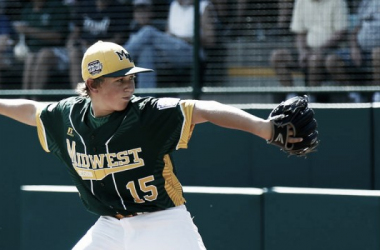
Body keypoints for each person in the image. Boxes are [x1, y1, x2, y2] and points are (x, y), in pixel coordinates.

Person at [0, 40, 302, 249]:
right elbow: (31, 111)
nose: (129, 84)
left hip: (163, 222)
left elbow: (205, 108)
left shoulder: (147, 114)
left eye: (131, 77)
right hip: (111, 226)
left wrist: (266, 129)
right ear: (92, 85)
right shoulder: (69, 116)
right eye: (118, 79)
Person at [124, 0, 218, 88]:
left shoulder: (203, 6)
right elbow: (167, 34)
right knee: (147, 52)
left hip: (191, 52)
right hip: (172, 50)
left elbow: (210, 40)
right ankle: (146, 102)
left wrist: (182, 38)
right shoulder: (174, 5)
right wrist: (170, 39)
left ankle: (118, 58)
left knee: (149, 31)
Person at [270, 0, 349, 100]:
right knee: (278, 56)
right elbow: (299, 32)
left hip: (330, 51)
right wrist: (303, 51)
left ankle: (311, 98)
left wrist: (318, 50)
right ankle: (291, 96)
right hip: (307, 50)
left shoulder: (338, 2)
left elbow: (340, 33)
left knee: (314, 59)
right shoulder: (301, 2)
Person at [324, 0, 380, 102]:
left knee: (378, 54)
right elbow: (356, 30)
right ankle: (354, 94)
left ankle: (376, 94)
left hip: (377, 52)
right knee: (332, 60)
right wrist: (354, 48)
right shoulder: (368, 2)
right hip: (361, 50)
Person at [67, 0, 130, 88]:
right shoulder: (84, 5)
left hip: (107, 49)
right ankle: (78, 95)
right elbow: (76, 32)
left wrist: (96, 47)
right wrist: (71, 43)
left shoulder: (119, 9)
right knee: (74, 54)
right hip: (83, 47)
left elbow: (118, 39)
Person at [13, 0, 71, 91]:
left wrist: (28, 30)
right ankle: (25, 97)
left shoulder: (57, 7)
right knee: (30, 57)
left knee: (44, 54)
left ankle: (35, 98)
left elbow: (57, 37)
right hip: (34, 52)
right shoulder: (28, 9)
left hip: (61, 52)